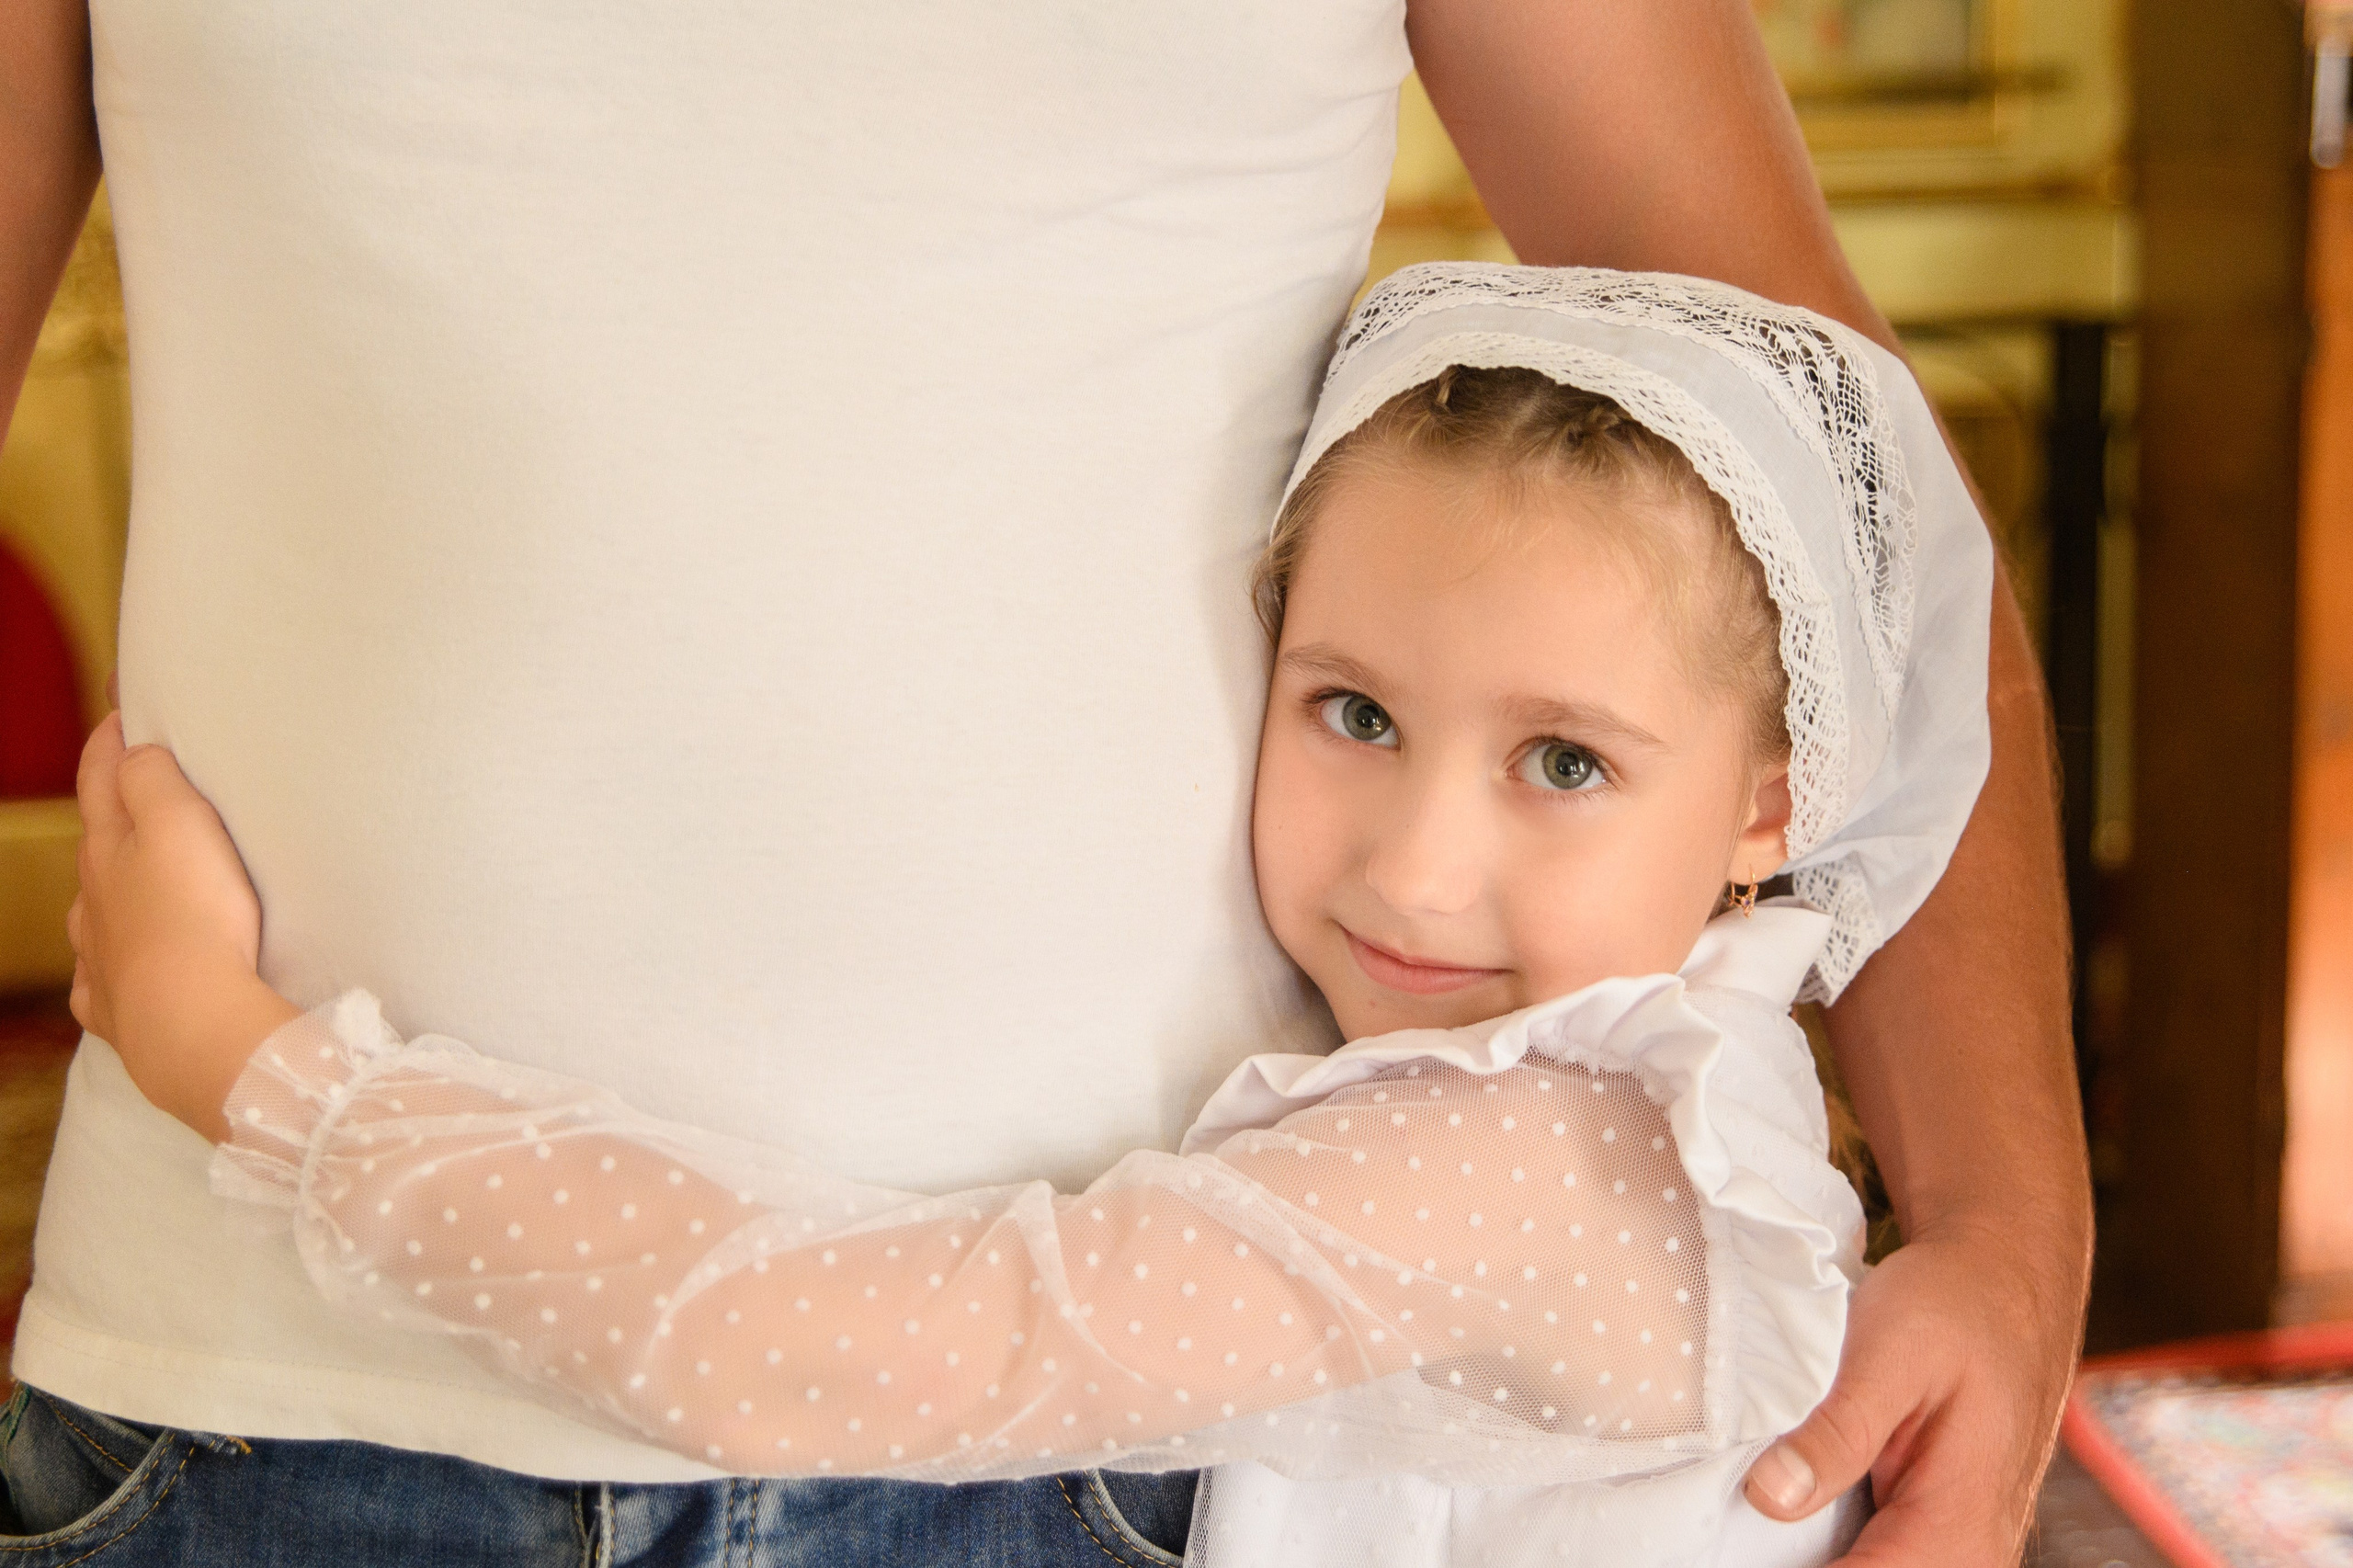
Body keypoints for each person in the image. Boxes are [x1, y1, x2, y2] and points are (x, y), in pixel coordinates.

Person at [0, 3, 2087, 1563]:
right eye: (1362, 715)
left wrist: (2013, 1231)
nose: (1428, 858)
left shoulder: (1540, 1181)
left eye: (1555, 761)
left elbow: (1836, 481)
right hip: (245, 1413)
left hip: (1112, 1446)